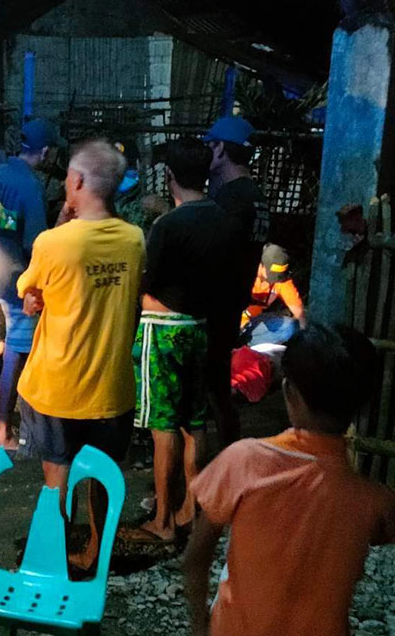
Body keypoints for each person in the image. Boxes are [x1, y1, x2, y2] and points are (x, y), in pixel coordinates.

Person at [184, 323, 395, 636]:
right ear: (363, 405)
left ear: (288, 392)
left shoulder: (243, 461)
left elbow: (195, 557)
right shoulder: (375, 501)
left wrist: (201, 627)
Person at [16, 138, 145, 570]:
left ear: (76, 181)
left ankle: (54, 557)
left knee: (58, 475)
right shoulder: (134, 240)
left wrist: (35, 297)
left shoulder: (54, 243)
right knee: (104, 477)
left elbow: (29, 288)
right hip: (112, 385)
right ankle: (96, 554)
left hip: (58, 384)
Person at [122, 138, 232, 544]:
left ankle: (164, 520)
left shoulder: (167, 226)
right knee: (195, 422)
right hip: (199, 327)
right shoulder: (221, 217)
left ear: (169, 176)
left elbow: (146, 280)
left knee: (162, 425)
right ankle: (192, 507)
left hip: (162, 328)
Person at [0, 118, 57, 452]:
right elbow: (37, 245)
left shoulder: (0, 173)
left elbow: (0, 220)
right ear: (45, 152)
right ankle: (4, 432)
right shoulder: (32, 189)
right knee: (18, 356)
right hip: (18, 285)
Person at [204, 116, 270, 445]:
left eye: (210, 145)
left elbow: (213, 252)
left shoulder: (231, 199)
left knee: (205, 393)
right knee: (216, 386)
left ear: (221, 149)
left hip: (213, 304)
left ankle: (214, 467)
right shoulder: (255, 196)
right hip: (232, 302)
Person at [240, 243, 307, 346]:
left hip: (253, 324)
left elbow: (298, 311)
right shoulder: (244, 271)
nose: (273, 280)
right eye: (271, 275)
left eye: (278, 276)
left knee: (291, 326)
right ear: (261, 265)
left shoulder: (281, 281)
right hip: (233, 323)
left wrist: (304, 334)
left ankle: (250, 346)